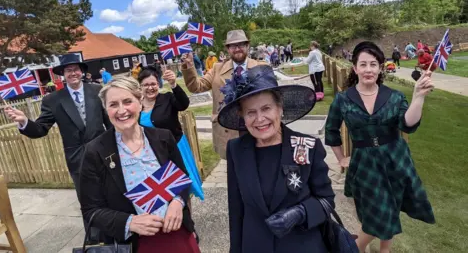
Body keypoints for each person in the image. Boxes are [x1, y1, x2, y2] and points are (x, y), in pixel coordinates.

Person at [325, 41, 435, 253]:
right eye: (363, 64)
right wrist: (341, 158)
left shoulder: (394, 97)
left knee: (390, 205)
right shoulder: (343, 100)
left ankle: (386, 249)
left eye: (373, 64)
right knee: (377, 215)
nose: (368, 70)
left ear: (380, 67)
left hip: (396, 159)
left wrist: (418, 97)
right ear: (355, 68)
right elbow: (331, 131)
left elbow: (407, 125)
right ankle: (351, 249)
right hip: (365, 164)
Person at [218, 65, 334, 253]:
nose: (260, 119)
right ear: (242, 117)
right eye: (251, 112)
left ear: (280, 108)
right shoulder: (236, 149)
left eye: (266, 108)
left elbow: (327, 200)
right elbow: (236, 209)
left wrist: (301, 212)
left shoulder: (307, 146)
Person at [80, 76, 200, 253]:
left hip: (177, 233)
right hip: (136, 244)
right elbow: (91, 210)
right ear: (106, 109)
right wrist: (130, 222)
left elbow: (182, 177)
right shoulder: (95, 152)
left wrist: (177, 201)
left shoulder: (163, 138)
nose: (122, 110)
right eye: (113, 104)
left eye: (128, 101)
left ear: (140, 101)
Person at [3, 53, 112, 239]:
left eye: (76, 69)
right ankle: (96, 240)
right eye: (68, 70)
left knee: (111, 194)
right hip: (77, 159)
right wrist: (24, 121)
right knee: (88, 200)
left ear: (82, 71)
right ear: (63, 74)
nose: (73, 73)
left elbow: (109, 122)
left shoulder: (97, 90)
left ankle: (117, 233)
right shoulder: (52, 100)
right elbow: (41, 129)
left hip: (104, 153)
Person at [180, 29, 267, 159]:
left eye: (241, 44)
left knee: (260, 167)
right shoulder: (217, 69)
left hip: (256, 127)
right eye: (233, 45)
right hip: (228, 130)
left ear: (247, 46)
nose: (237, 48)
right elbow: (196, 86)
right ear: (228, 49)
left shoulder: (261, 67)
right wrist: (189, 66)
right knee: (235, 172)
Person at [138, 66, 204, 200]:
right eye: (146, 85)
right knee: (160, 191)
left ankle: (186, 216)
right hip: (151, 154)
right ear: (140, 86)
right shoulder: (136, 105)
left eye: (153, 84)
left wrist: (174, 84)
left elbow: (183, 104)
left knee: (182, 187)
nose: (150, 88)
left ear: (158, 84)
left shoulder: (167, 98)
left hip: (175, 150)